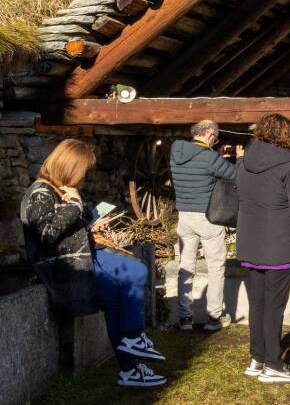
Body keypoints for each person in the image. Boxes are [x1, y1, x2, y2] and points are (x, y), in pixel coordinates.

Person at [20, 139, 167, 387]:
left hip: (83, 258)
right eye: (83, 172)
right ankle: (131, 356)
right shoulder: (39, 193)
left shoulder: (57, 190)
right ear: (70, 167)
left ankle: (132, 349)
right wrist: (76, 204)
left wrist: (88, 221)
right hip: (67, 269)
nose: (84, 178)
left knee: (135, 272)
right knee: (122, 292)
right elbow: (46, 234)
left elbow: (68, 224)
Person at [235, 114, 290, 383]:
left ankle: (257, 358)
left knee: (257, 303)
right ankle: (273, 364)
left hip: (250, 240)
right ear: (287, 135)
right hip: (279, 243)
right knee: (274, 305)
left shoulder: (243, 162)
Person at [170, 119, 237, 332]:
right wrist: (238, 159)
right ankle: (214, 316)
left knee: (186, 267)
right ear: (209, 135)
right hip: (208, 217)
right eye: (215, 138)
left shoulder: (176, 152)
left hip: (184, 216)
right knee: (215, 266)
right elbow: (234, 175)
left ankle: (185, 318)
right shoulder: (210, 157)